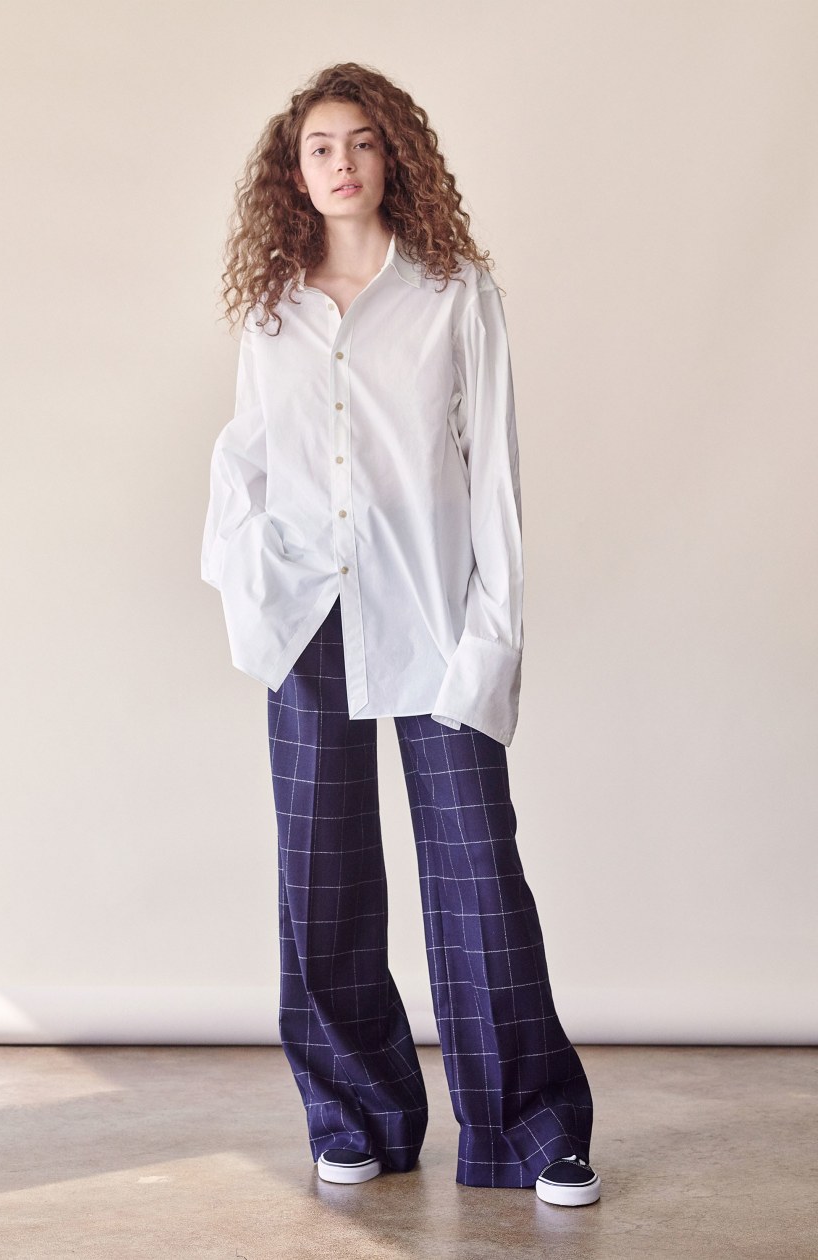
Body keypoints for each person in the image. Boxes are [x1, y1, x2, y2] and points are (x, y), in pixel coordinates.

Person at [201, 61, 601, 1207]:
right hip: (308, 619)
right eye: (321, 147)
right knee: (320, 878)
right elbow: (243, 460)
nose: (343, 164)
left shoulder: (454, 294)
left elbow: (496, 485)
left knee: (478, 873)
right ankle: (357, 1117)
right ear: (295, 172)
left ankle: (529, 1130)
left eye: (363, 142)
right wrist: (251, 589)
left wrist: (494, 639)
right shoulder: (273, 309)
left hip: (433, 614)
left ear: (394, 157)